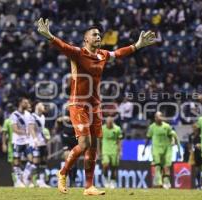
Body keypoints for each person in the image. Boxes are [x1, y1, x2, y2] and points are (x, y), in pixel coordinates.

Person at [36, 18, 156, 195]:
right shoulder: (78, 53)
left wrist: (137, 45)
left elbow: (119, 53)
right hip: (78, 104)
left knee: (93, 146)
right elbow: (63, 46)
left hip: (94, 106)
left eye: (99, 34)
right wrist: (50, 36)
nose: (98, 36)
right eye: (94, 34)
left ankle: (89, 186)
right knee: (84, 144)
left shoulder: (102, 55)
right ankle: (62, 173)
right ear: (86, 39)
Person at [142, 111, 182, 189]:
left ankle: (166, 182)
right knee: (157, 165)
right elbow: (148, 138)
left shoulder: (167, 126)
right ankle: (159, 182)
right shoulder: (152, 127)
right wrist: (144, 149)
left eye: (161, 116)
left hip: (167, 149)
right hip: (156, 148)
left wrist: (173, 142)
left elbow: (172, 135)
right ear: (155, 118)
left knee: (166, 166)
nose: (160, 118)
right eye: (158, 116)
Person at [24, 102, 50, 188]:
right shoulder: (32, 116)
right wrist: (35, 140)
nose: (44, 106)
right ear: (37, 106)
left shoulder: (43, 117)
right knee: (35, 163)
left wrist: (45, 138)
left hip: (42, 142)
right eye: (42, 105)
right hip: (35, 142)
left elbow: (42, 130)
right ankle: (27, 178)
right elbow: (31, 129)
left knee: (43, 162)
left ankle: (41, 181)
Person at [9, 97, 29, 187]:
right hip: (17, 142)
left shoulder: (28, 114)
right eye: (25, 102)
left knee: (31, 160)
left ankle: (25, 178)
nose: (27, 104)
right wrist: (26, 132)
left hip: (27, 141)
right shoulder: (14, 115)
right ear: (20, 103)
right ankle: (18, 181)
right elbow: (15, 129)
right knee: (16, 162)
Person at [54, 113, 78, 187]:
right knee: (68, 157)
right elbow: (56, 126)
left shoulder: (78, 113)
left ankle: (72, 180)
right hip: (66, 139)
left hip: (75, 139)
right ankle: (64, 178)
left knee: (74, 161)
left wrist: (71, 119)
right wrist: (59, 119)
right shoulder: (64, 113)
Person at [101, 116, 123, 189]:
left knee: (114, 168)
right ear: (106, 122)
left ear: (113, 122)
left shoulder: (117, 129)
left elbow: (119, 141)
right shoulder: (102, 128)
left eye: (111, 123)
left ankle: (113, 181)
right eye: (108, 123)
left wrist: (120, 151)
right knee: (105, 165)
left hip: (114, 150)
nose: (109, 124)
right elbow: (98, 140)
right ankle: (105, 179)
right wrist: (98, 151)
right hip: (105, 150)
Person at [188, 124, 202, 189]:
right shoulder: (191, 136)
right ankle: (197, 183)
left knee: (200, 169)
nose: (194, 128)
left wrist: (200, 146)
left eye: (195, 127)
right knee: (195, 169)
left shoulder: (201, 135)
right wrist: (190, 149)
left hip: (201, 153)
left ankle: (200, 183)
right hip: (194, 154)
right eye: (193, 127)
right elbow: (189, 144)